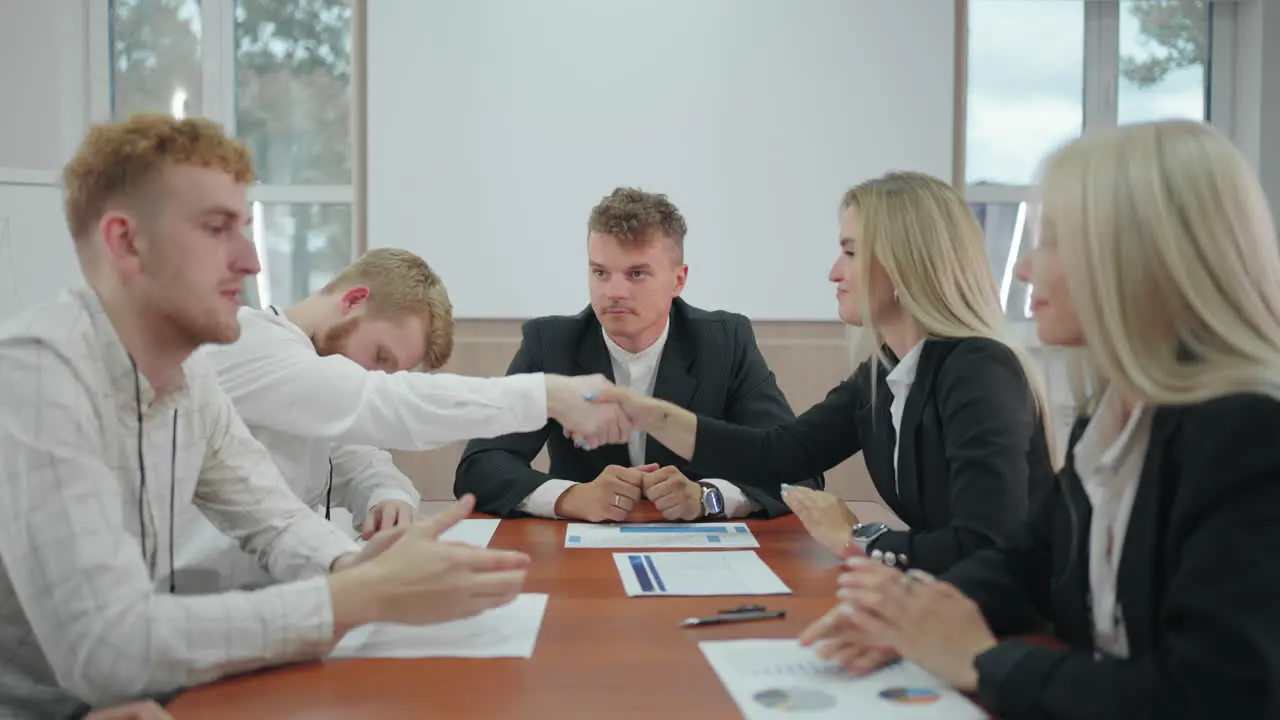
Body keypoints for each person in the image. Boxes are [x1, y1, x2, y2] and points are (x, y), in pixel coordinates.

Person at [0, 114, 530, 719]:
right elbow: (108, 643)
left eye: (244, 229)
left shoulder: (189, 375)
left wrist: (364, 565)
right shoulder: (37, 375)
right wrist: (353, 597)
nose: (251, 261)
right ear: (125, 242)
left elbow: (274, 520)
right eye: (216, 229)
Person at [800, 121, 1280, 719]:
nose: (1025, 269)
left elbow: (1209, 696)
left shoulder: (1249, 441)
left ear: (1139, 257)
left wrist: (981, 660)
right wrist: (910, 612)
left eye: (1052, 240)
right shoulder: (1109, 419)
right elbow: (1025, 563)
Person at [586, 173, 1056, 574]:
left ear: (906, 263)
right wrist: (642, 411)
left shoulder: (979, 371)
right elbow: (781, 452)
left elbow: (986, 548)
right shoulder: (886, 373)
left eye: (850, 252)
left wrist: (860, 537)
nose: (834, 272)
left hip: (1011, 628)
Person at [174, 247, 628, 592]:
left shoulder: (313, 374)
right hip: (198, 603)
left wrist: (387, 498)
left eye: (391, 370)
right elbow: (380, 403)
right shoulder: (252, 346)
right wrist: (547, 394)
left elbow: (361, 460)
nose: (375, 375)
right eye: (380, 356)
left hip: (282, 598)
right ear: (353, 301)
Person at [454, 187, 824, 522]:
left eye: (636, 275)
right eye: (600, 272)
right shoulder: (550, 343)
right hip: (581, 558)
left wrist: (708, 497)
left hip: (695, 553)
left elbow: (798, 469)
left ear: (678, 280)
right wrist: (570, 496)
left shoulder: (725, 342)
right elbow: (481, 465)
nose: (614, 291)